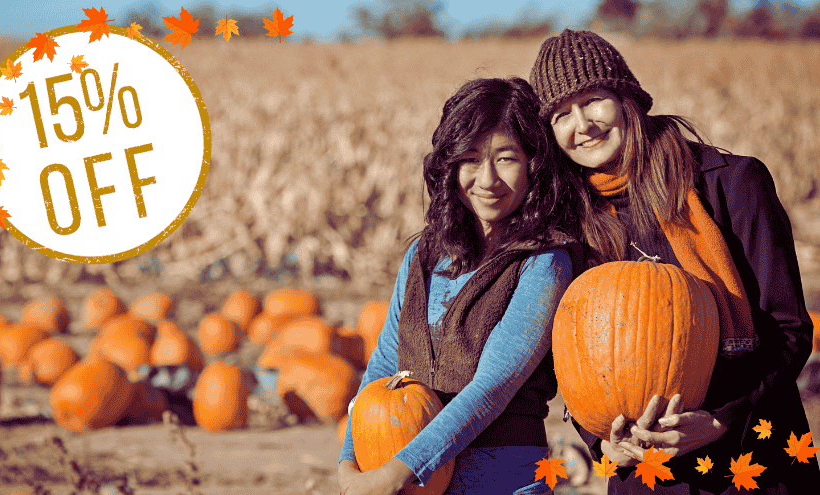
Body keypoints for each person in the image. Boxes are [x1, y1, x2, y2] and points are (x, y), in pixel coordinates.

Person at [529, 29, 820, 494]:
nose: (581, 124)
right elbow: (574, 356)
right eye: (561, 115)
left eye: (594, 100)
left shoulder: (731, 184)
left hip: (752, 459)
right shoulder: (571, 222)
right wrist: (604, 444)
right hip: (646, 477)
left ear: (627, 99)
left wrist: (719, 419)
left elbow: (789, 331)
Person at [337, 77, 584, 495]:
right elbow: (382, 366)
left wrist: (397, 473)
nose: (487, 179)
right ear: (450, 166)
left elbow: (490, 390)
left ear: (533, 164)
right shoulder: (425, 254)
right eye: (470, 159)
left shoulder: (544, 263)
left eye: (506, 159)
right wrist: (349, 462)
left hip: (503, 484)